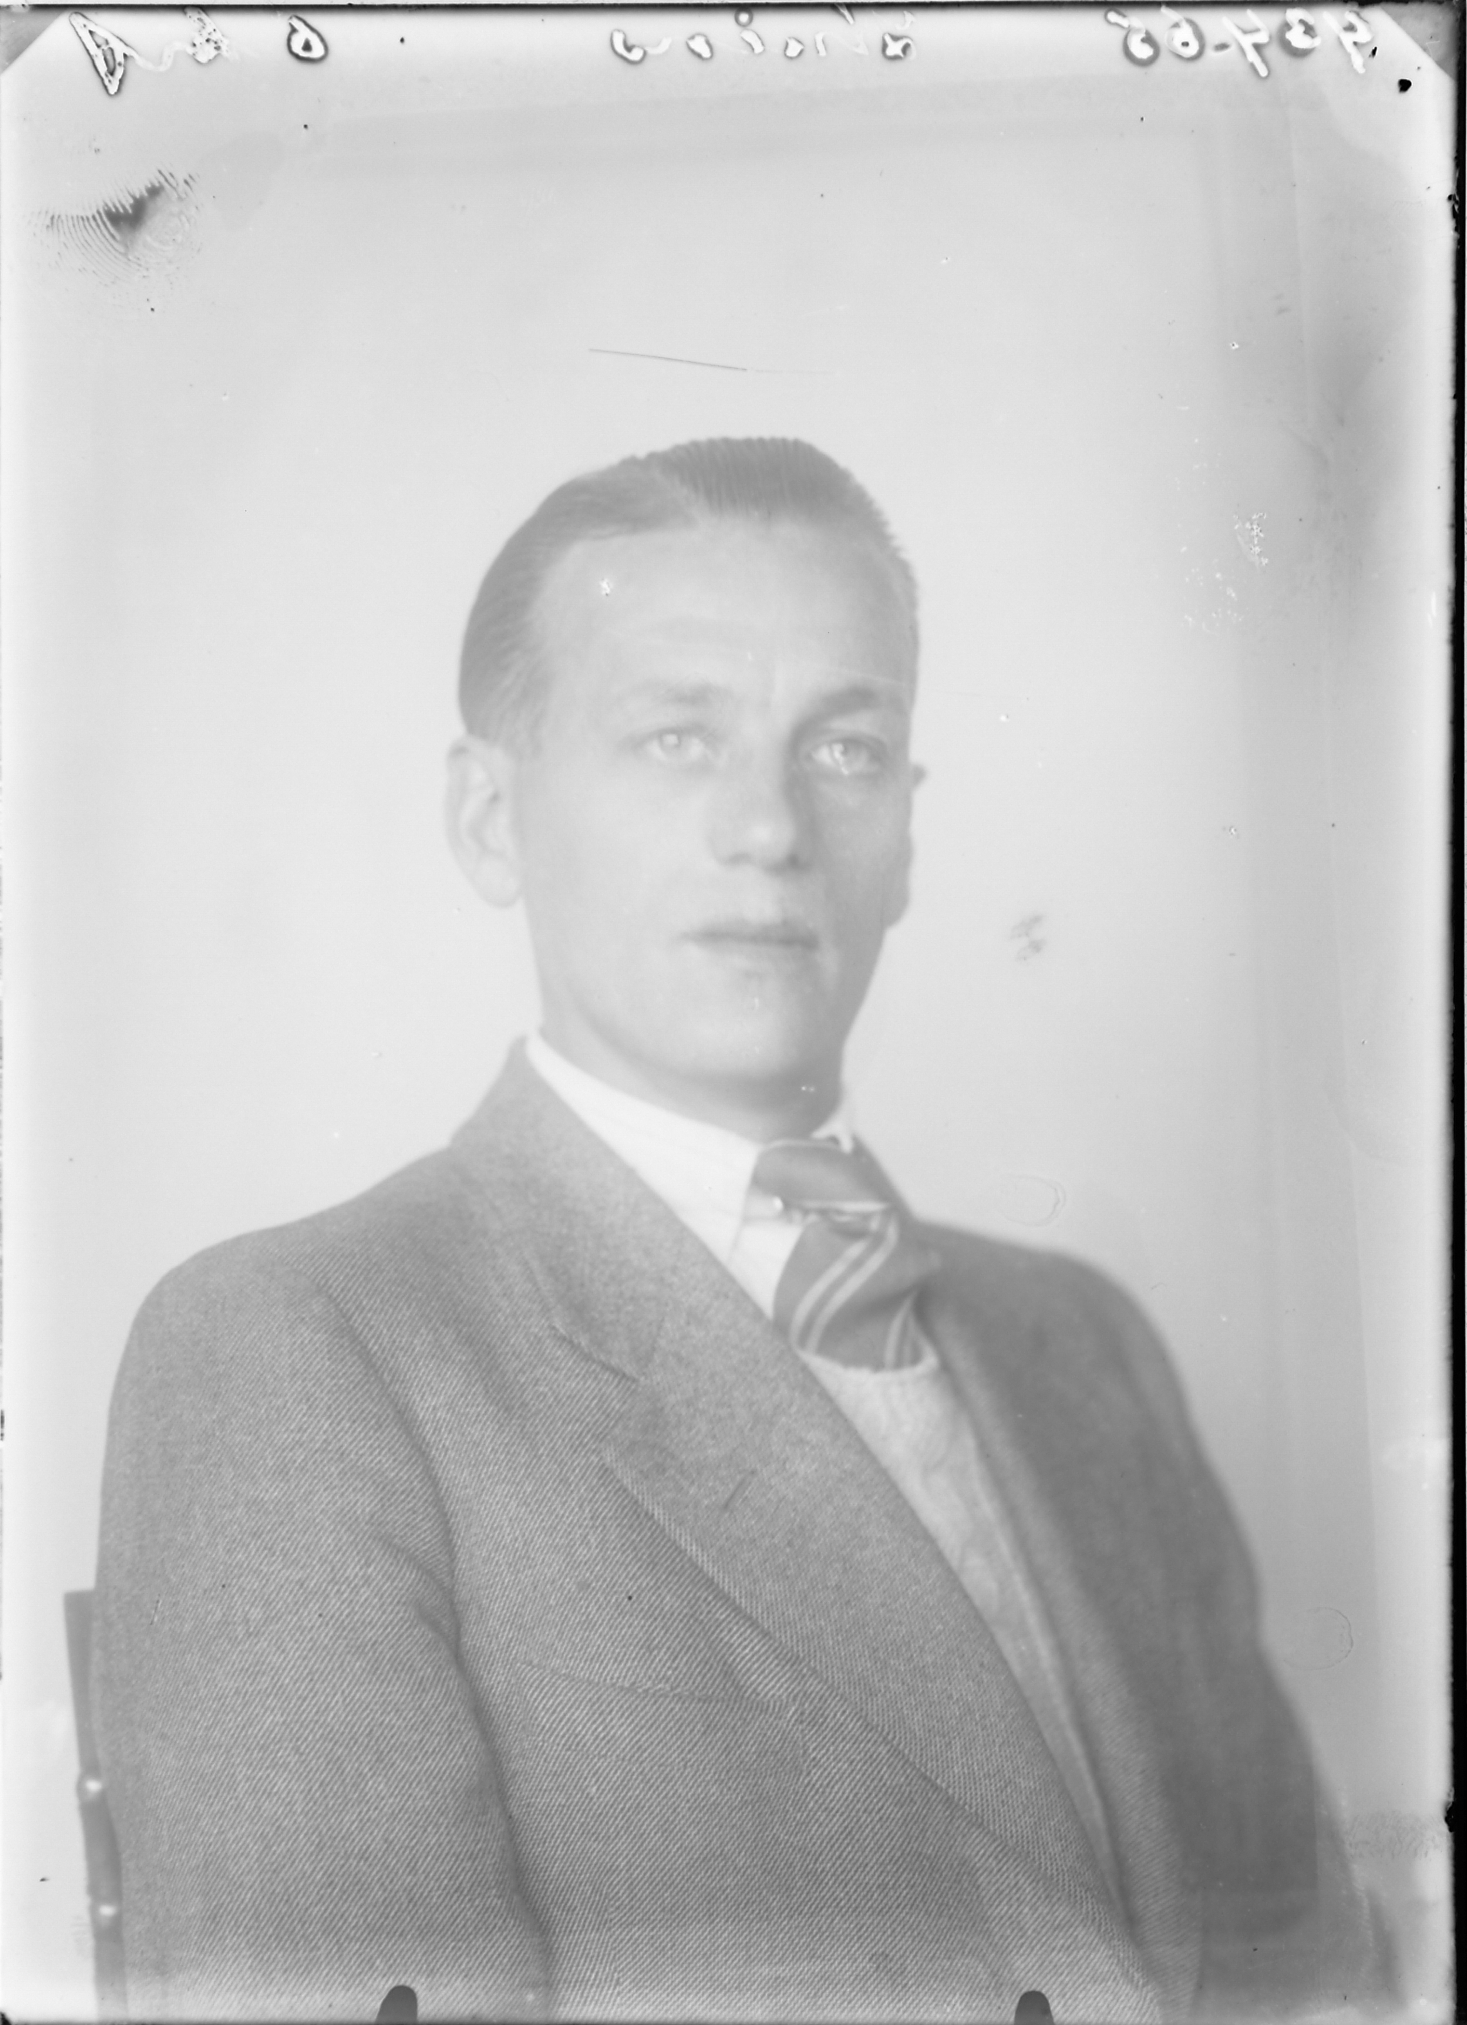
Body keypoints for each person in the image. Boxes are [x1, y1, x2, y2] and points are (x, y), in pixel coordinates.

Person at [92, 438, 1386, 2024]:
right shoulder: (299, 1352)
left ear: (907, 834)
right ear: (490, 818)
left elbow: (1320, 1977)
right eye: (675, 737)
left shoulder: (1084, 1343)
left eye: (844, 746)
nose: (769, 826)